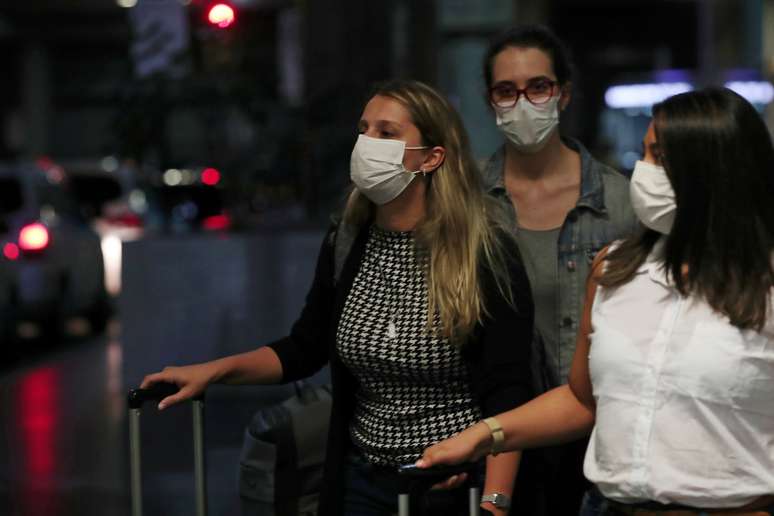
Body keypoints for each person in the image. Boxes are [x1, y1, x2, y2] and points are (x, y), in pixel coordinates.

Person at [141, 79, 534, 516]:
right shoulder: (348, 240)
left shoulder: (483, 250)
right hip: (362, 479)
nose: (368, 143)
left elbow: (509, 393)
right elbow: (305, 348)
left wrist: (495, 504)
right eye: (364, 130)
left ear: (432, 157)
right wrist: (212, 372)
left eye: (387, 133)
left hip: (453, 483)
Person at [418, 87, 774, 515]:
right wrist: (485, 434)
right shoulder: (614, 269)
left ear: (715, 170)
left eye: (659, 157)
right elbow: (583, 399)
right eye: (644, 154)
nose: (643, 172)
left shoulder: (764, 285)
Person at [479, 24, 637, 515]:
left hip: (598, 435)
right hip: (492, 433)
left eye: (538, 87)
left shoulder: (621, 203)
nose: (523, 102)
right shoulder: (467, 205)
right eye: (507, 90)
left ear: (563, 95)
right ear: (491, 101)